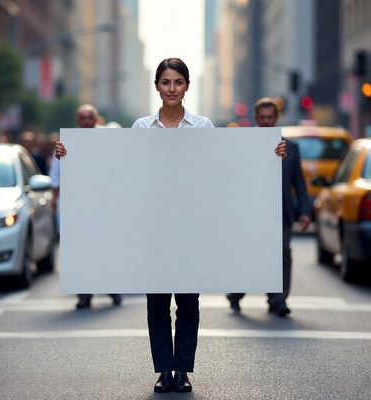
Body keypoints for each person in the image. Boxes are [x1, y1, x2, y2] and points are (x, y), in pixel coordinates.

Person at [55, 59, 287, 393]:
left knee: (189, 304)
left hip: (191, 229)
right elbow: (119, 170)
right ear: (157, 86)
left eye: (178, 82)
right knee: (158, 304)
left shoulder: (203, 126)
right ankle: (164, 370)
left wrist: (272, 153)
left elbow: (223, 170)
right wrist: (71, 155)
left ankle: (183, 369)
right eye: (166, 82)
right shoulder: (141, 127)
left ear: (187, 86)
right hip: (154, 229)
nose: (172, 89)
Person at [226, 97, 310, 317]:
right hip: (250, 213)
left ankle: (278, 300)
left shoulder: (291, 148)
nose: (265, 121)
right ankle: (235, 293)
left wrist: (304, 212)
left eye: (269, 117)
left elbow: (299, 183)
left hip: (281, 212)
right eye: (261, 118)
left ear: (276, 118)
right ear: (256, 118)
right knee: (247, 255)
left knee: (282, 253)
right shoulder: (243, 145)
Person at [49, 104, 122, 309]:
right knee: (79, 250)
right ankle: (84, 293)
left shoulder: (108, 140)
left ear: (96, 119)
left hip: (103, 205)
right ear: (77, 121)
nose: (87, 121)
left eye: (90, 117)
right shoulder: (66, 143)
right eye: (83, 118)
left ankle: (113, 288)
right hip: (78, 206)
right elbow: (56, 175)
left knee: (104, 248)